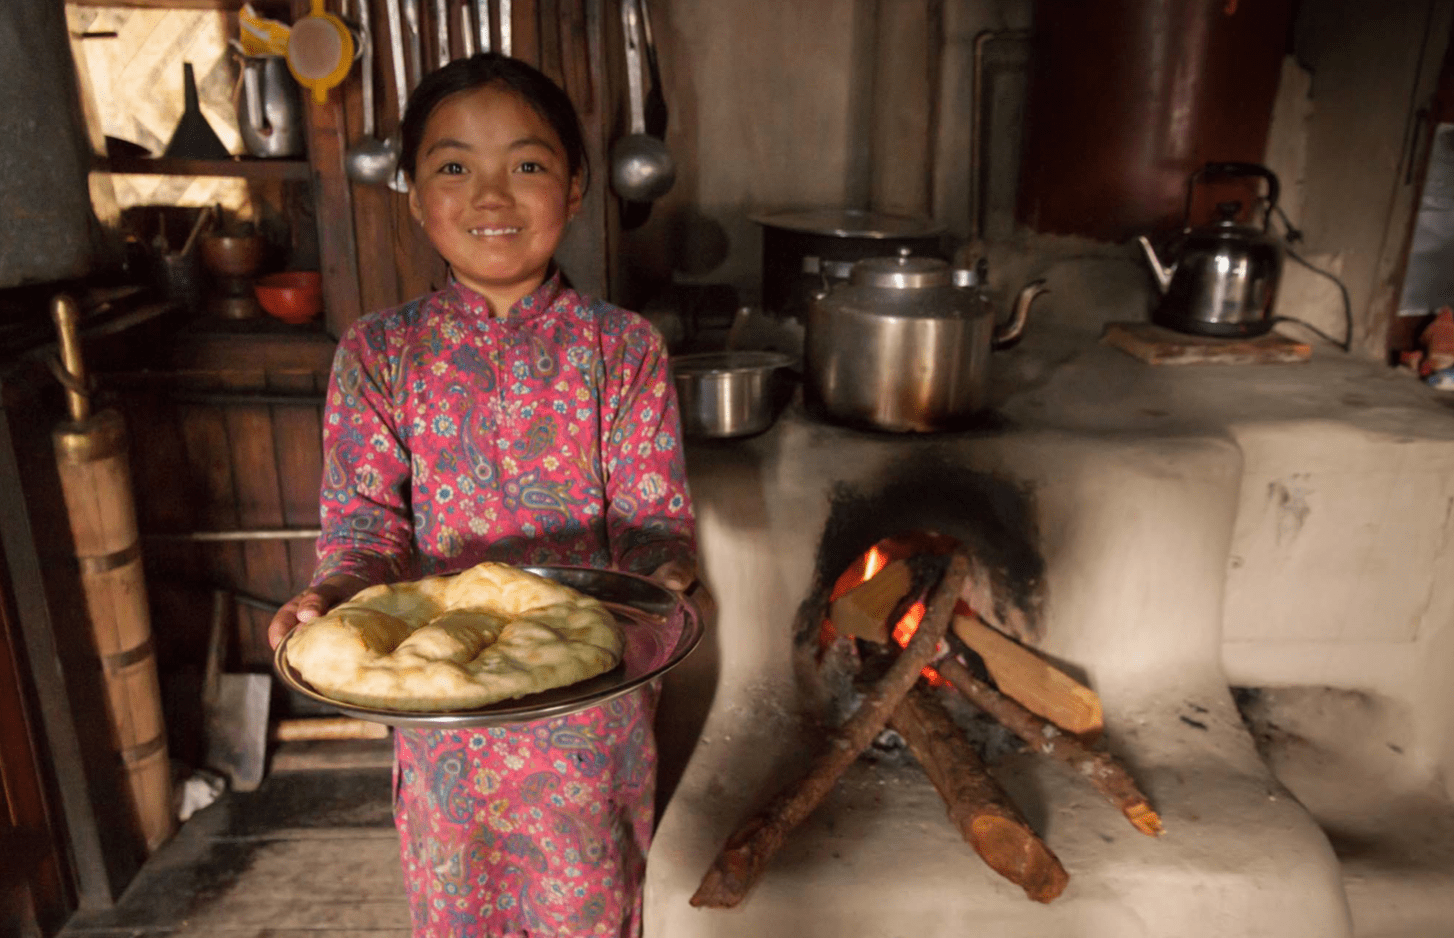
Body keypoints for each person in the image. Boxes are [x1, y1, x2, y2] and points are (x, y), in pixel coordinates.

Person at [267, 52, 697, 938]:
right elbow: (363, 533)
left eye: (528, 165)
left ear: (575, 188)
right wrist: (331, 598)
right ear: (416, 195)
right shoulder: (379, 355)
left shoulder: (623, 349)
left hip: (589, 716)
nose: (491, 196)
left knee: (591, 906)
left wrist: (668, 577)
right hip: (441, 716)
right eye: (454, 167)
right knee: (458, 911)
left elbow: (655, 524)